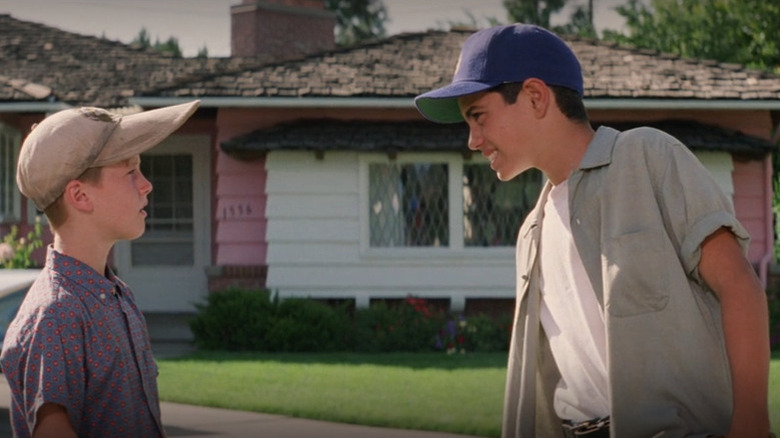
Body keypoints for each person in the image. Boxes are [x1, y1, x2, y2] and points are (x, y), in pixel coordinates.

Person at [414, 24, 772, 438]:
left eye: (478, 117)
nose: (473, 141)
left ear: (535, 96)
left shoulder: (648, 157)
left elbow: (738, 286)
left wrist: (751, 423)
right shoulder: (532, 232)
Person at [0, 100, 200, 438]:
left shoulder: (117, 295)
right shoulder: (56, 315)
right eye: (130, 171)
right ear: (79, 196)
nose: (147, 184)